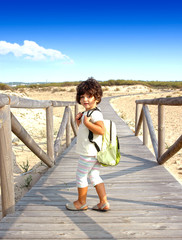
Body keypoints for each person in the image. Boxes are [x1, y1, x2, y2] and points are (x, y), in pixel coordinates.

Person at [66, 77, 110, 211]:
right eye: (82, 96)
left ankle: (81, 202)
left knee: (80, 175)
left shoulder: (95, 114)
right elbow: (86, 131)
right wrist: (80, 121)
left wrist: (87, 123)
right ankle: (103, 202)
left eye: (89, 96)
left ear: (97, 98)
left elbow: (101, 131)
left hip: (89, 153)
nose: (85, 99)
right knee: (94, 175)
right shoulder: (88, 113)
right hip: (93, 152)